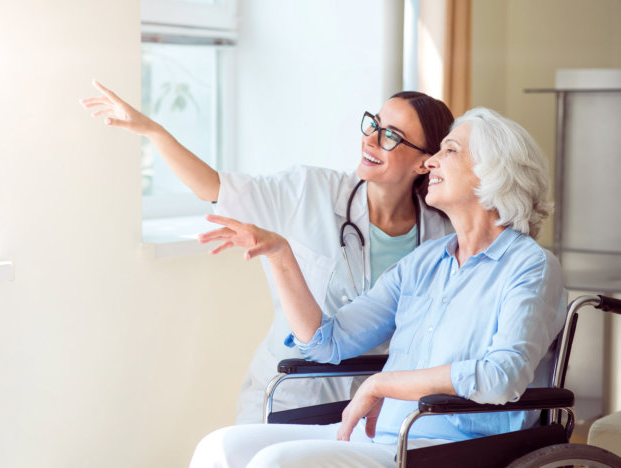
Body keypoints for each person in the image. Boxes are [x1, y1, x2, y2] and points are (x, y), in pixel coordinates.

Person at [191, 107, 568, 467]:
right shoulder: (425, 262)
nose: (432, 161)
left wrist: (381, 385)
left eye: (449, 150)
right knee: (221, 447)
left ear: (493, 174)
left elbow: (502, 376)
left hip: (449, 446)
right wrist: (279, 253)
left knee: (276, 463)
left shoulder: (530, 265)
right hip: (380, 436)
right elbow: (329, 341)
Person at [80, 81, 454, 423]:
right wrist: (152, 130)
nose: (371, 139)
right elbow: (212, 186)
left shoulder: (443, 234)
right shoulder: (309, 190)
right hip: (293, 394)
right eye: (373, 124)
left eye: (391, 136)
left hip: (374, 406)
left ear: (426, 161)